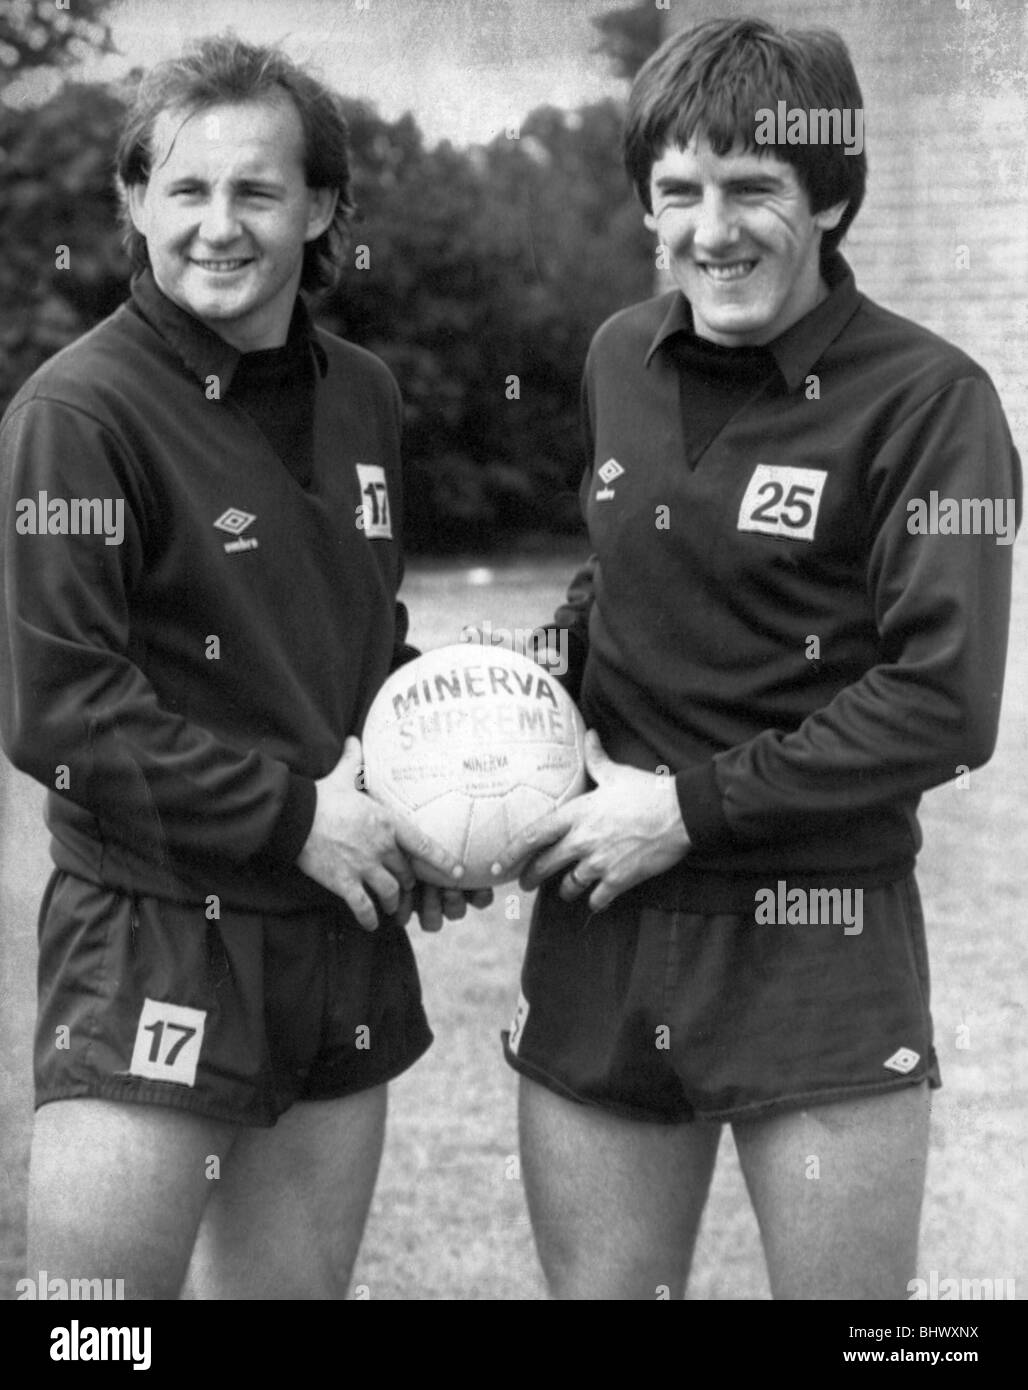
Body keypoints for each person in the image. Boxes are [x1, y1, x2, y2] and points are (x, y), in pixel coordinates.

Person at [494, 16, 1021, 1300]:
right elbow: (621, 574)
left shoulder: (932, 401)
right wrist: (523, 688)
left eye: (753, 190)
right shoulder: (620, 353)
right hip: (606, 915)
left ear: (830, 197)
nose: (709, 229)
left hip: (815, 929)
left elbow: (940, 702)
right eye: (676, 191)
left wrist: (683, 810)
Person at [0, 33, 482, 1301]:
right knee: (92, 1337)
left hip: (336, 933)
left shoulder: (365, 394)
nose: (219, 225)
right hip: (158, 932)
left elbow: (361, 650)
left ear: (319, 207)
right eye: (186, 190)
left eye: (256, 191)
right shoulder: (77, 415)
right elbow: (62, 709)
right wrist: (295, 819)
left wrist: (430, 794)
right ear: (136, 205)